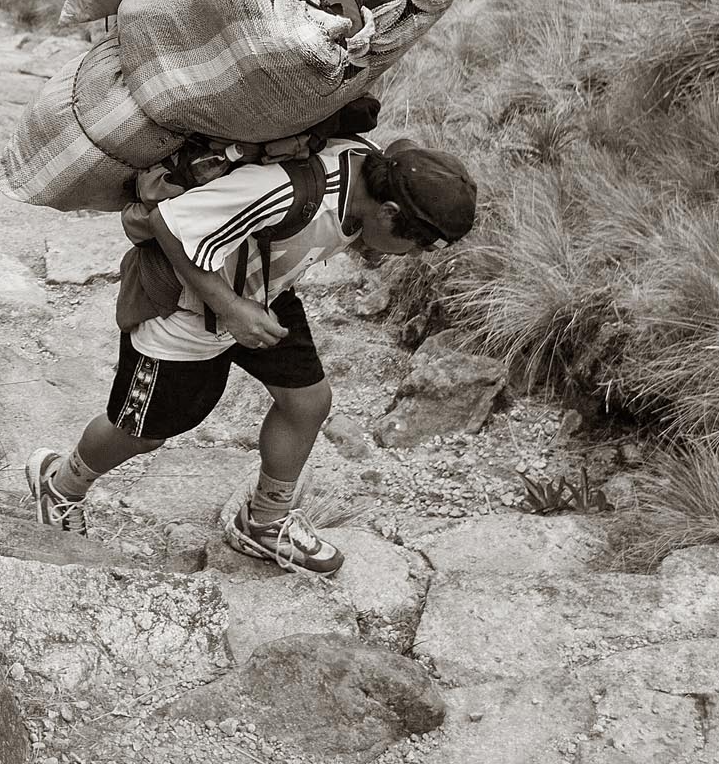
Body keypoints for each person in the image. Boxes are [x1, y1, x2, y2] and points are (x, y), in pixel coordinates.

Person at [24, 112, 477, 574]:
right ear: (389, 212)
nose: (418, 255)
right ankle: (61, 483)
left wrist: (362, 245)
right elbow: (170, 222)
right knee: (141, 431)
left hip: (261, 289)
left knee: (307, 401)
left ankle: (264, 521)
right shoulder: (291, 191)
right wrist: (232, 310)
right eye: (420, 244)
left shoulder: (367, 175)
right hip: (189, 306)